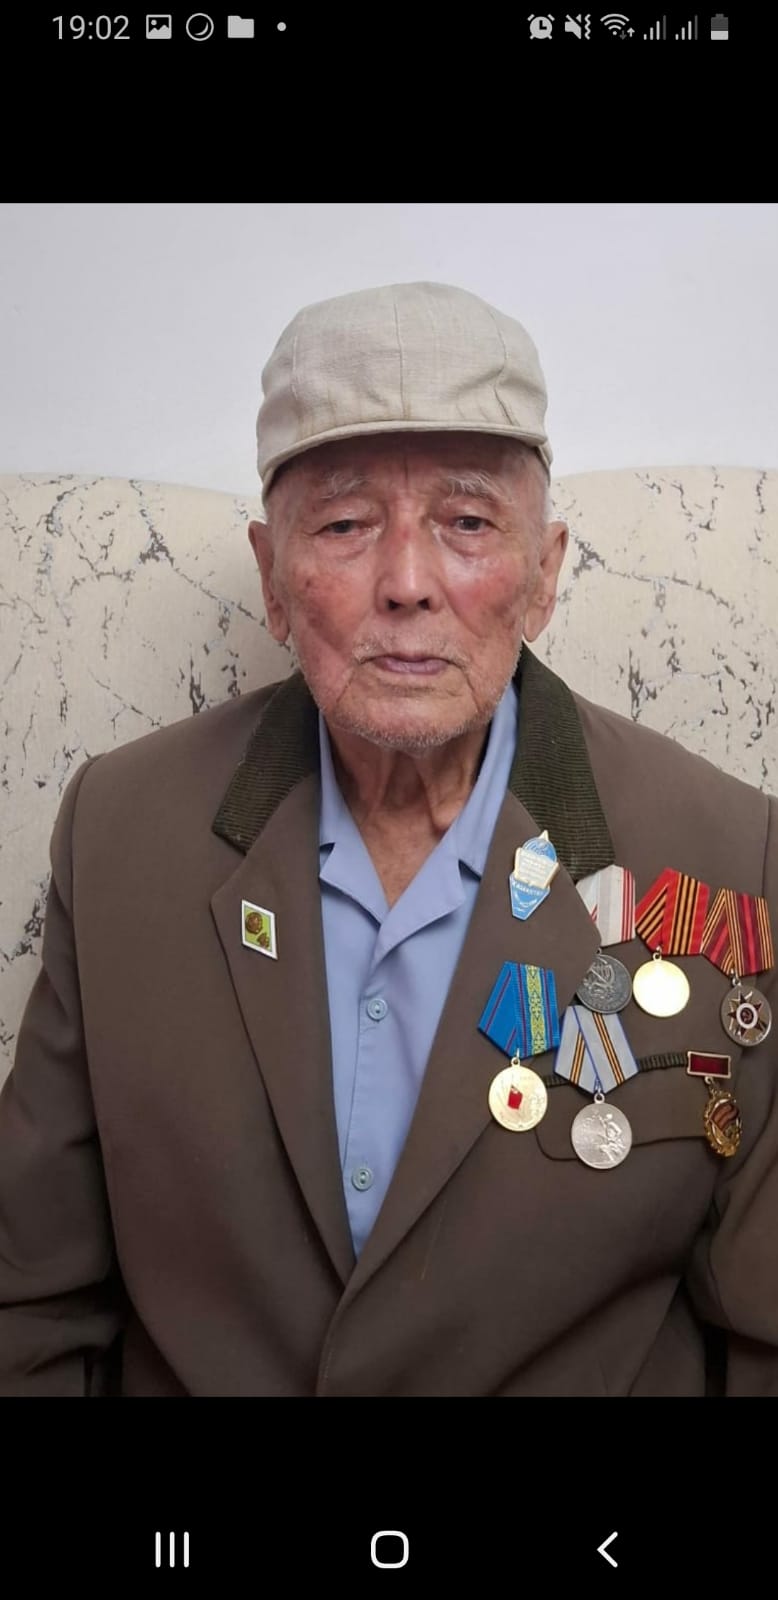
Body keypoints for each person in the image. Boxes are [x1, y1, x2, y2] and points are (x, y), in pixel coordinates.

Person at [0, 280, 776, 1397]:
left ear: (545, 573)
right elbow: (30, 1303)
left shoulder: (728, 853)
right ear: (272, 577)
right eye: (345, 525)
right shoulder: (120, 834)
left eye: (468, 523)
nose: (407, 584)